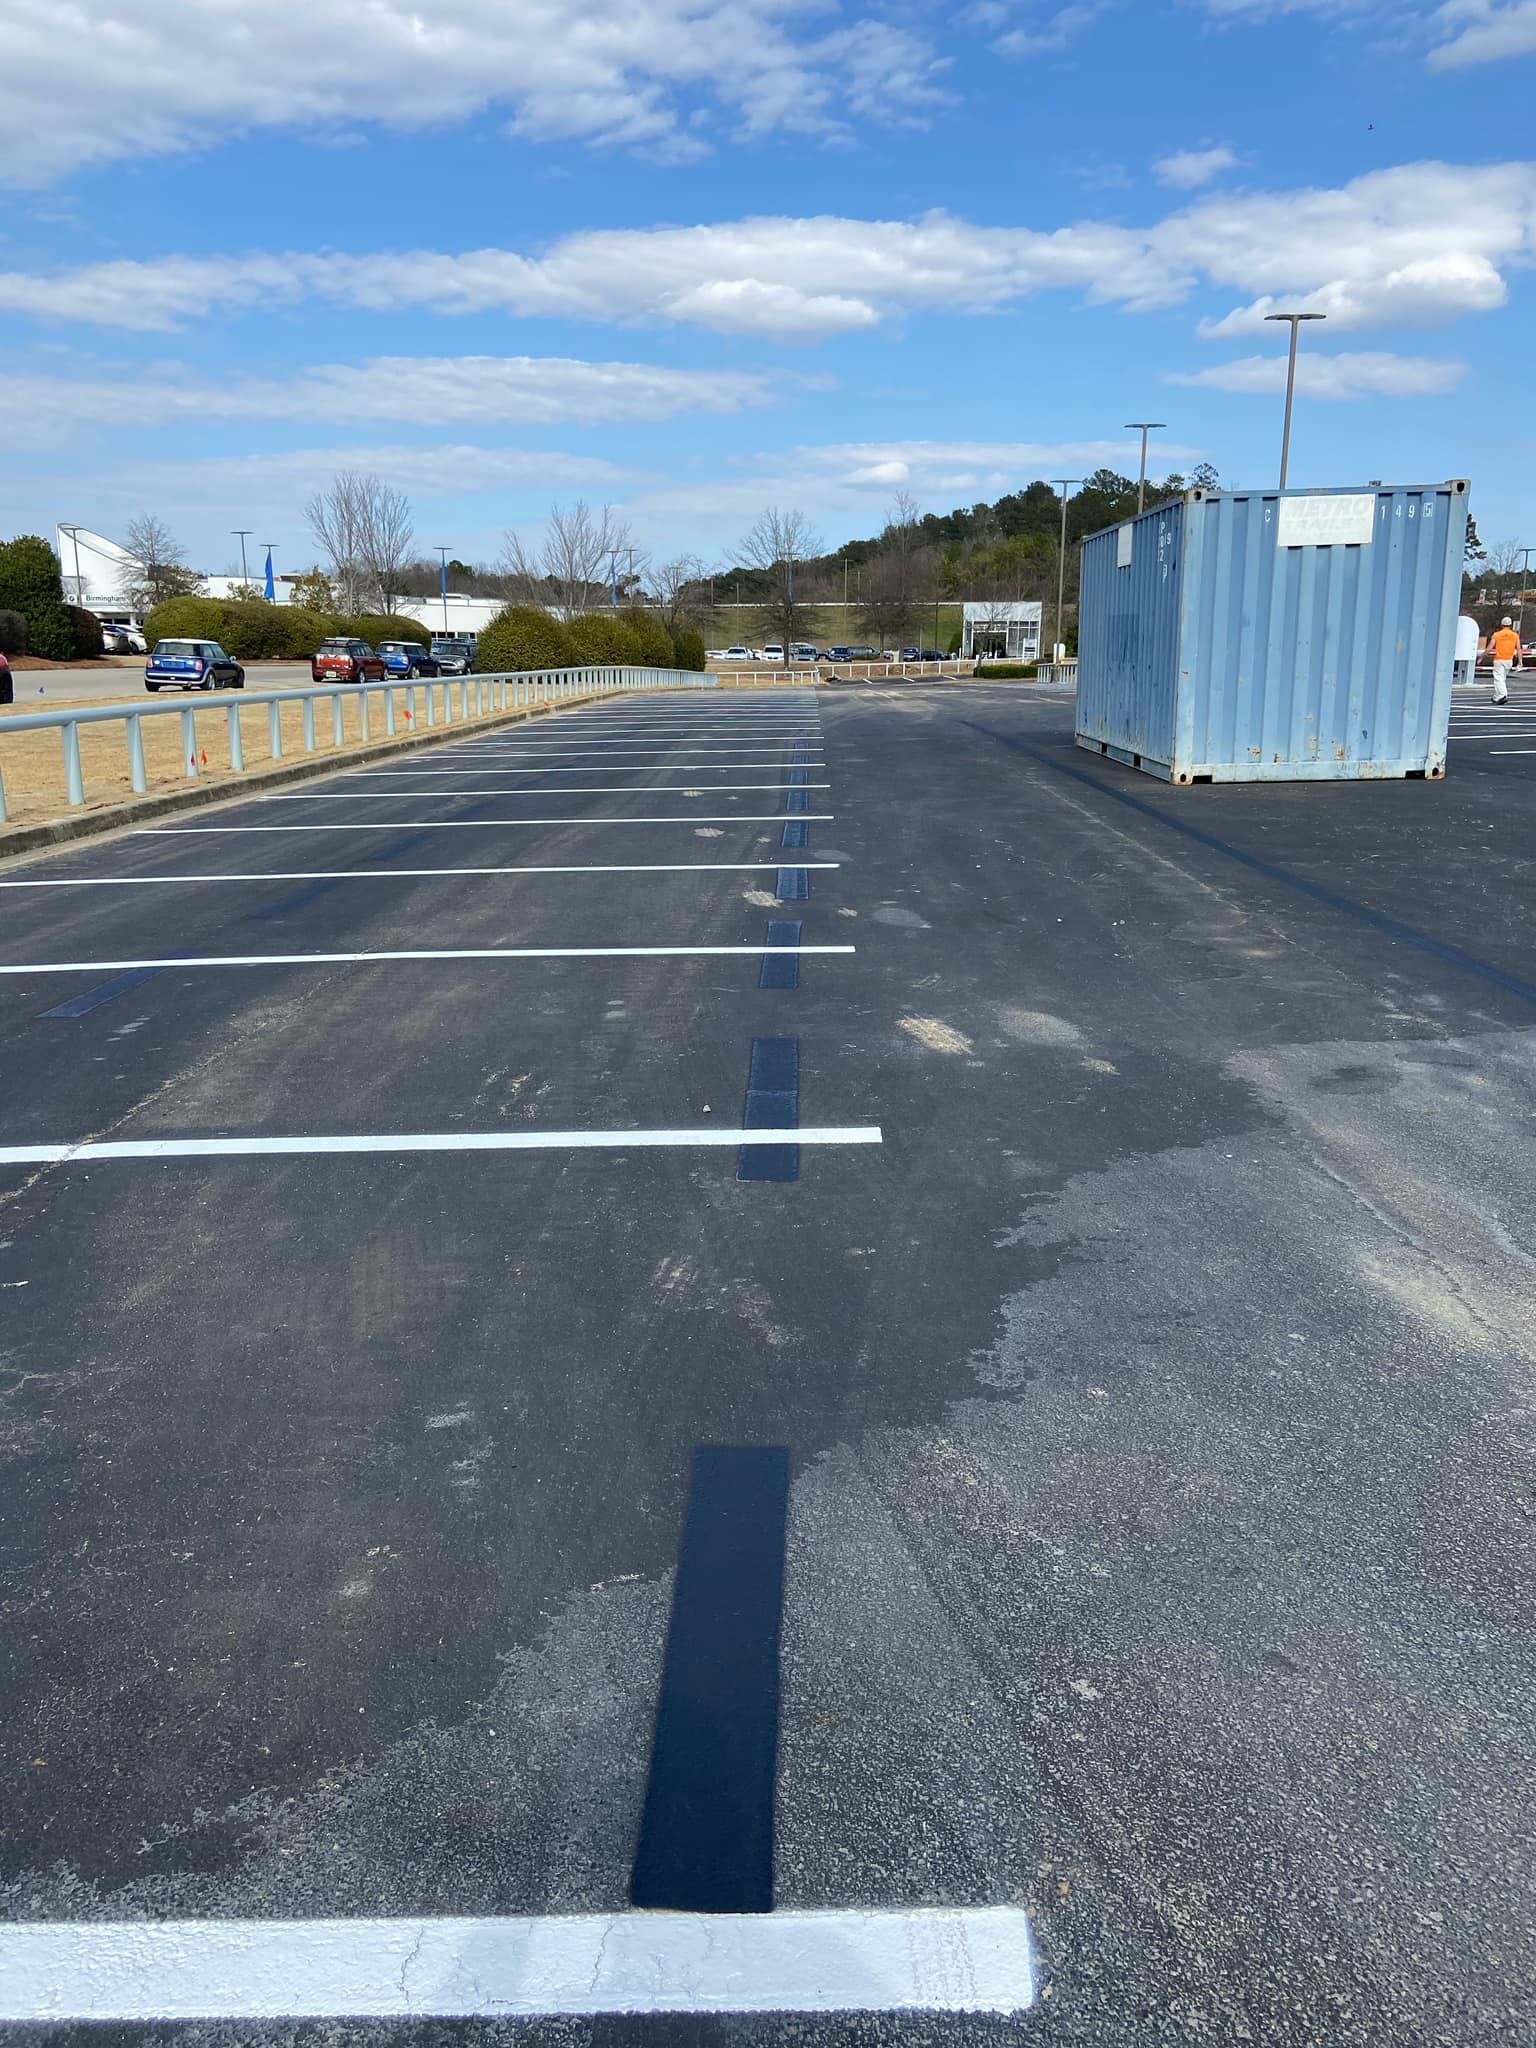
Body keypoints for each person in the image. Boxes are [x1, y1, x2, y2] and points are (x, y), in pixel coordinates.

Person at [1488, 616, 1523, 705]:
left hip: (1499, 659)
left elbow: (1490, 647)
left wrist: (1482, 656)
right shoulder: (1515, 635)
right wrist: (1520, 662)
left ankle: (1502, 695)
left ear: (1501, 624)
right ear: (1510, 625)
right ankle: (1496, 696)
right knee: (1502, 679)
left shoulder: (1496, 634)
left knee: (1498, 679)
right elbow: (1519, 649)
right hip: (1509, 660)